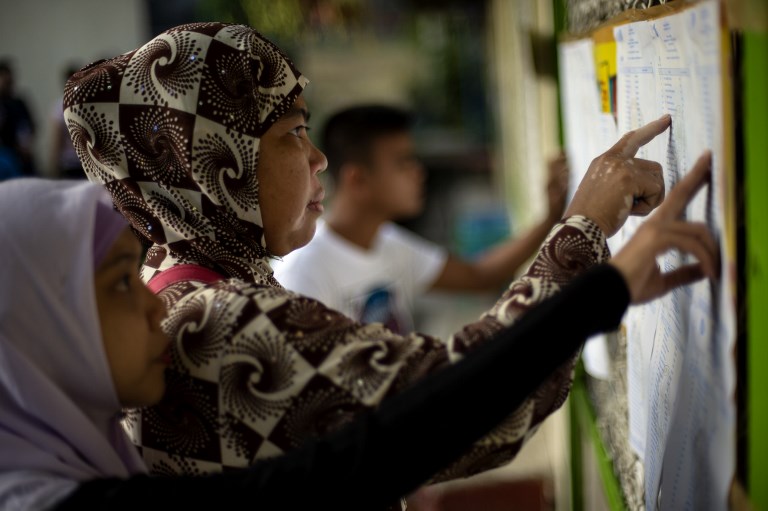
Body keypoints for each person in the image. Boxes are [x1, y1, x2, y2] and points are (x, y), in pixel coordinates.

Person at [63, 22, 674, 508]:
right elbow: (464, 409)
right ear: (217, 164)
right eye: (294, 132)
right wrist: (583, 231)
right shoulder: (220, 325)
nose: (319, 158)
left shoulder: (168, 281)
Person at [0, 161, 716, 509]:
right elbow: (383, 444)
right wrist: (595, 268)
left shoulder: (67, 461)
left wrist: (595, 278)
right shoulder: (215, 321)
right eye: (120, 285)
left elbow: (371, 450)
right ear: (34, 325)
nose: (155, 309)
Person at [273, 104, 568, 333]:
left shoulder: (387, 242)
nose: (419, 172)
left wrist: (551, 216)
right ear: (358, 179)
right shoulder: (303, 273)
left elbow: (480, 276)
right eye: (404, 162)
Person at [0, 60, 36, 179]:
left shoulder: (19, 102)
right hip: (6, 156)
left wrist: (26, 144)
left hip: (24, 156)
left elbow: (31, 125)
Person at [49, 64, 85, 179]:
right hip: (82, 163)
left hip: (71, 163)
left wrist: (54, 166)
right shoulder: (89, 105)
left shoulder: (60, 106)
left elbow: (57, 140)